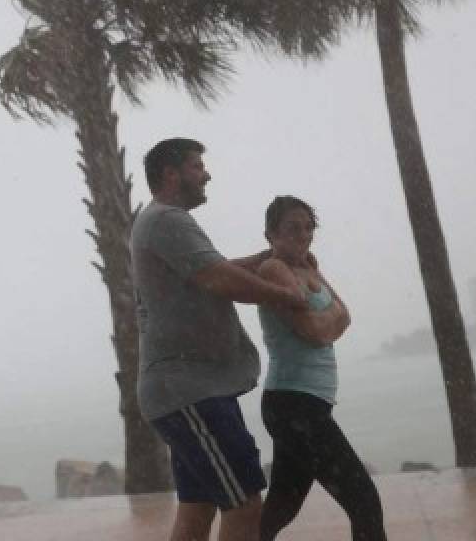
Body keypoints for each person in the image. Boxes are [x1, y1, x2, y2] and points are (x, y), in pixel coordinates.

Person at [131, 138, 307, 541]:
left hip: (184, 392)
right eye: (197, 167)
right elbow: (220, 279)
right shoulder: (166, 219)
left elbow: (216, 268)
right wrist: (289, 297)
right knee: (246, 507)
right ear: (171, 174)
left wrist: (270, 257)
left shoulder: (159, 221)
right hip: (190, 392)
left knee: (198, 509)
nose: (206, 174)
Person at [255, 195, 386, 541]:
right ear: (271, 234)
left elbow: (345, 316)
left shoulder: (308, 269)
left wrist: (324, 321)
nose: (302, 236)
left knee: (282, 507)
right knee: (364, 502)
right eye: (291, 228)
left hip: (307, 404)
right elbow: (314, 331)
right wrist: (327, 323)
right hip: (293, 403)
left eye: (308, 228)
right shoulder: (273, 269)